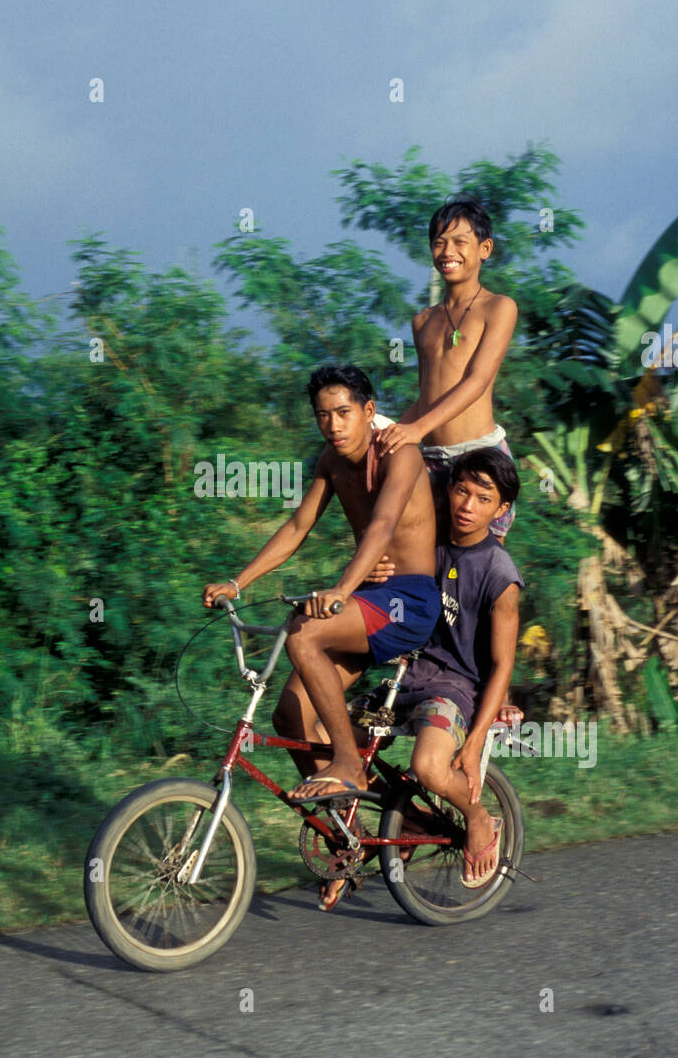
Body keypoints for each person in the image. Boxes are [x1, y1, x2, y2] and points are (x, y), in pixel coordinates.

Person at [202, 364, 441, 809]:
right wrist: (238, 583)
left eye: (343, 412)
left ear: (369, 411)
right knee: (290, 715)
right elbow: (296, 527)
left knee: (303, 631)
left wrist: (343, 589)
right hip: (368, 599)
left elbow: (383, 525)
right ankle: (347, 835)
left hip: (408, 601)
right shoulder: (330, 461)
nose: (332, 424)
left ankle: (349, 761)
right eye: (322, 415)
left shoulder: (399, 454)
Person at [372, 446, 524, 887]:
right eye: (461, 491)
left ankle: (478, 817)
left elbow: (501, 665)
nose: (467, 506)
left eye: (483, 498)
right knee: (333, 741)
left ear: (501, 509)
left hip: (455, 688)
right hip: (407, 676)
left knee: (430, 767)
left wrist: (473, 745)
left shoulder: (500, 574)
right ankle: (368, 837)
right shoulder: (427, 542)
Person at [376, 198, 518, 541]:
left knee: (481, 566)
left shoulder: (499, 307)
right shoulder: (423, 321)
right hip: (432, 460)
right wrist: (390, 434)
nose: (447, 251)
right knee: (425, 561)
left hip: (480, 454)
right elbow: (427, 396)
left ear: (484, 249)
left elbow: (477, 381)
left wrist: (415, 430)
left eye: (459, 242)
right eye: (439, 242)